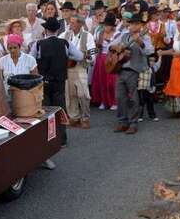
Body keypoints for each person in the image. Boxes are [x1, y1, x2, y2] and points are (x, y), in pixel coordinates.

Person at [30, 17, 83, 146]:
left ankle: (47, 140)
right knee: (60, 109)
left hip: (44, 82)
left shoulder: (38, 44)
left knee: (45, 110)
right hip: (59, 81)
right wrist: (66, 56)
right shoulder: (65, 43)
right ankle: (62, 139)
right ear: (57, 30)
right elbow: (80, 56)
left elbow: (31, 61)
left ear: (46, 30)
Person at [110, 13, 153, 134]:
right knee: (120, 97)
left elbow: (149, 51)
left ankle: (133, 123)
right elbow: (110, 45)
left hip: (135, 70)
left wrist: (140, 42)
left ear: (141, 25)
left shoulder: (145, 36)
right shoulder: (124, 35)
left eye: (136, 24)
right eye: (132, 24)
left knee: (134, 98)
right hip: (121, 69)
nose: (133, 26)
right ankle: (122, 122)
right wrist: (115, 47)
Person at [62, 14, 96, 129]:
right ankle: (74, 117)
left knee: (83, 94)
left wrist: (87, 56)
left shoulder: (88, 35)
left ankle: (85, 118)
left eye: (73, 22)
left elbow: (93, 51)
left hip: (80, 67)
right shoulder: (65, 34)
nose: (70, 24)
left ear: (80, 24)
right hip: (68, 67)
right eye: (70, 22)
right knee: (70, 94)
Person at [91, 13, 119, 110]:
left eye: (108, 25)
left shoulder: (117, 34)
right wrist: (88, 54)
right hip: (101, 59)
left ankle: (114, 102)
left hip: (112, 59)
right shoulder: (100, 33)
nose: (106, 27)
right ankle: (103, 101)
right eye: (105, 25)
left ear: (112, 26)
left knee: (112, 82)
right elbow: (96, 48)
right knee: (101, 81)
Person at [137, 53, 159, 122]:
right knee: (141, 102)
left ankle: (152, 115)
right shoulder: (141, 67)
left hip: (149, 88)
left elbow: (153, 78)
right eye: (150, 60)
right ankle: (139, 116)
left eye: (154, 61)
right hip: (141, 87)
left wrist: (154, 86)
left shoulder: (152, 69)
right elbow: (137, 75)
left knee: (150, 102)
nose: (152, 62)